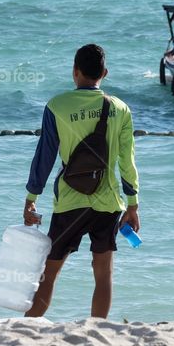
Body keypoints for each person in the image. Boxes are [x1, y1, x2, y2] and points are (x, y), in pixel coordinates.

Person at [22, 44, 141, 319]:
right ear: (105, 73)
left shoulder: (56, 106)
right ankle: (98, 328)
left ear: (75, 72)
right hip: (108, 202)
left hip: (69, 202)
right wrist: (133, 204)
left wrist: (31, 199)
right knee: (103, 273)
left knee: (49, 273)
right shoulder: (120, 109)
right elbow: (127, 160)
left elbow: (45, 156)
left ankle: (29, 327)